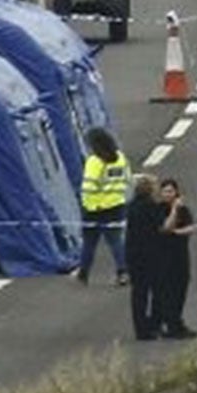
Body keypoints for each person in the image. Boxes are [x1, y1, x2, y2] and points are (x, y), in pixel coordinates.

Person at [74, 127, 131, 286]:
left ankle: (83, 273)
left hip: (94, 207)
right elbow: (127, 179)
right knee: (116, 241)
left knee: (89, 242)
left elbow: (89, 186)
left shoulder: (94, 161)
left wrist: (86, 204)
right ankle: (123, 272)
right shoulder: (120, 157)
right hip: (116, 205)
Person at [154, 179, 197, 339]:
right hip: (164, 256)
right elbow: (166, 227)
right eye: (165, 191)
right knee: (167, 291)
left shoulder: (184, 210)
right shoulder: (158, 209)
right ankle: (169, 323)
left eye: (171, 191)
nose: (168, 194)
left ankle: (177, 322)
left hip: (180, 254)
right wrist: (174, 210)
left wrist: (179, 232)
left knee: (181, 288)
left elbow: (191, 227)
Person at [125, 175, 166, 338]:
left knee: (139, 293)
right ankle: (154, 324)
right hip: (151, 254)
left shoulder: (132, 207)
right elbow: (161, 227)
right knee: (158, 290)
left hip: (133, 253)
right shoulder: (151, 207)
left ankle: (140, 327)